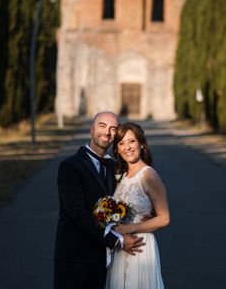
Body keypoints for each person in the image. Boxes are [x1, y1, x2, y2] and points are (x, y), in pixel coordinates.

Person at [54, 111, 145, 289]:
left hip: (103, 259)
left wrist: (143, 216)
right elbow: (77, 213)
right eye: (102, 126)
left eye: (113, 128)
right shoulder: (70, 166)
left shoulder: (114, 166)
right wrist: (116, 240)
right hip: (74, 257)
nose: (107, 132)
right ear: (91, 129)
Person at [106, 122, 170, 289]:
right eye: (121, 143)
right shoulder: (121, 176)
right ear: (117, 150)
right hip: (121, 247)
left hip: (140, 247)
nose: (127, 147)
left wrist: (127, 229)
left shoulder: (149, 175)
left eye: (131, 141)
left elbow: (164, 218)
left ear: (141, 144)